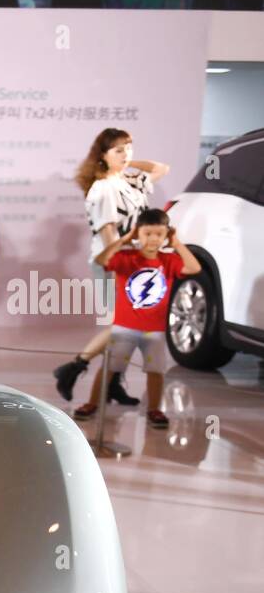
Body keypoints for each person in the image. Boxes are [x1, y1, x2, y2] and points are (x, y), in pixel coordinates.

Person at [53, 128, 169, 403]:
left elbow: (161, 168)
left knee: (128, 327)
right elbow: (108, 234)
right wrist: (123, 265)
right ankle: (75, 366)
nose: (126, 154)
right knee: (123, 325)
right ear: (102, 156)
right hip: (115, 263)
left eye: (129, 147)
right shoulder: (104, 188)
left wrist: (128, 162)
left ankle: (112, 383)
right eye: (118, 150)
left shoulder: (129, 181)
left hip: (136, 263)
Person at [73, 207, 199, 428]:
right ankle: (92, 403)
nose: (153, 239)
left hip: (155, 329)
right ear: (138, 233)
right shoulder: (126, 258)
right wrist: (124, 240)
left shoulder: (169, 261)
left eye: (159, 234)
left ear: (166, 235)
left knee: (156, 371)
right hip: (125, 327)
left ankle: (155, 409)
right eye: (147, 233)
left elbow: (193, 267)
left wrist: (177, 243)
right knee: (109, 368)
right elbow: (102, 260)